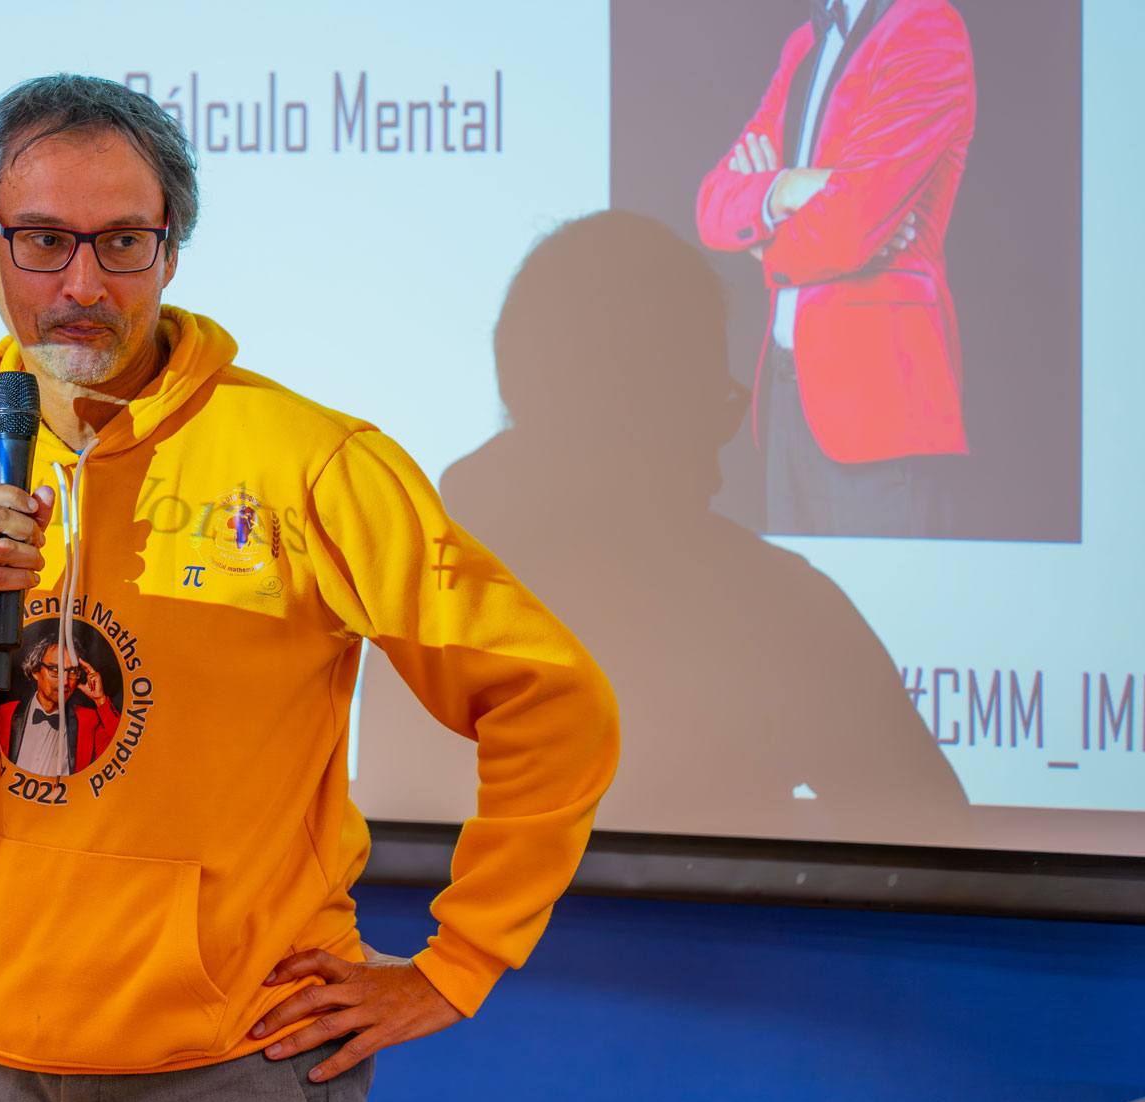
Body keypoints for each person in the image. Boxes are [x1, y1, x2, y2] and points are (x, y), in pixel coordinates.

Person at [0, 73, 618, 1102]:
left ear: (171, 250)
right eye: (43, 241)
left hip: (233, 1101)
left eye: (123, 242)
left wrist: (458, 963)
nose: (83, 284)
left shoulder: (312, 463)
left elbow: (551, 697)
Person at [355, 211, 971, 847]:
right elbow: (946, 859)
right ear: (659, 408)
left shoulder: (418, 599)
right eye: (714, 404)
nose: (720, 456)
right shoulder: (776, 612)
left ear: (517, 388)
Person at [694, 0, 976, 537]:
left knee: (886, 615)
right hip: (786, 397)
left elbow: (847, 227)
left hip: (880, 407)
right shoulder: (804, 43)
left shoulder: (927, 27)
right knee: (798, 618)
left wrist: (763, 238)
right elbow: (712, 203)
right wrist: (792, 186)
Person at [0, 633, 118, 774]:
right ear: (35, 670)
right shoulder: (3, 714)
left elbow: (124, 753)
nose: (65, 682)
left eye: (72, 672)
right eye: (55, 670)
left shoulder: (88, 720)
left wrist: (100, 700)